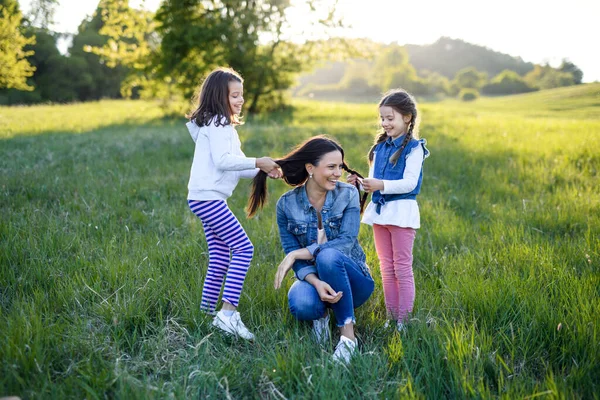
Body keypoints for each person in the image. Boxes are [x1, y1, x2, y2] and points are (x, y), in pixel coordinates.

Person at [248, 136, 374, 364]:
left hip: (355, 281)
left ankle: (348, 338)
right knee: (302, 303)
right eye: (331, 167)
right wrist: (315, 282)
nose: (338, 173)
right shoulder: (286, 205)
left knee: (326, 255)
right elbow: (291, 252)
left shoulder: (348, 194)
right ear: (310, 168)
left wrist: (299, 253)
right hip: (315, 277)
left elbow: (346, 241)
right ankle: (322, 316)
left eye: (340, 166)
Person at [186, 67, 281, 340]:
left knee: (219, 256)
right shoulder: (217, 125)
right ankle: (227, 315)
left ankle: (205, 313)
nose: (240, 101)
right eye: (235, 95)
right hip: (208, 199)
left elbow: (237, 167)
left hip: (203, 197)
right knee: (244, 248)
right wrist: (257, 161)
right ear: (219, 97)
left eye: (241, 95)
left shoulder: (223, 127)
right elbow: (223, 162)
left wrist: (266, 169)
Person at [347, 88, 430, 332]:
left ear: (407, 117)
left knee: (402, 267)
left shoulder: (414, 148)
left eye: (390, 118)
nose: (385, 123)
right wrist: (361, 182)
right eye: (382, 118)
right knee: (386, 266)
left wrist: (380, 185)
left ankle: (403, 321)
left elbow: (410, 183)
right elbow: (374, 182)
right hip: (381, 212)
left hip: (402, 213)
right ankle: (391, 317)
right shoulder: (379, 148)